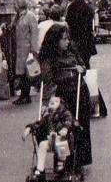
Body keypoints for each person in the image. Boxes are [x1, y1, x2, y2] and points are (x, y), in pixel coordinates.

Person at [38, 24, 92, 169]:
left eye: (67, 39)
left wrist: (82, 69)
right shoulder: (48, 58)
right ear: (55, 41)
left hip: (79, 91)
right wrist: (46, 102)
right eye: (63, 39)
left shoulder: (71, 50)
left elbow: (83, 65)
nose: (67, 42)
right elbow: (47, 80)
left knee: (80, 125)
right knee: (62, 127)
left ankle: (79, 160)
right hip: (62, 95)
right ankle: (64, 159)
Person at [22, 94, 74, 180]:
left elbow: (69, 121)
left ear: (61, 104)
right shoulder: (47, 116)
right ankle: (40, 168)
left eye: (56, 101)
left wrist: (65, 128)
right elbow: (38, 124)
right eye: (51, 102)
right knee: (42, 144)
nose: (53, 102)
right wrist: (29, 128)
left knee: (61, 143)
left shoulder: (65, 113)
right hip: (50, 140)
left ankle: (61, 163)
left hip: (63, 140)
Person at [11, 0, 39, 105]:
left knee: (26, 73)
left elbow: (34, 33)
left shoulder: (30, 16)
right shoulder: (17, 16)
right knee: (20, 73)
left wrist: (33, 49)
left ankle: (26, 96)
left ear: (21, 4)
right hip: (18, 48)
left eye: (15, 3)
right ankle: (23, 95)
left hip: (26, 48)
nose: (14, 6)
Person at [65, 0, 96, 67]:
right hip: (87, 41)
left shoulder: (72, 8)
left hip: (77, 42)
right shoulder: (88, 7)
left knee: (78, 66)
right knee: (86, 64)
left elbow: (69, 26)